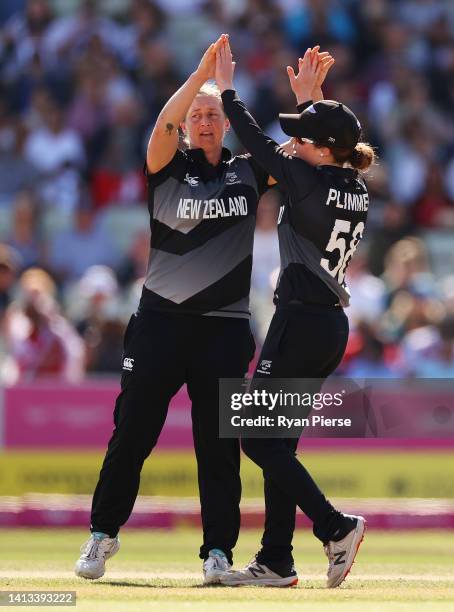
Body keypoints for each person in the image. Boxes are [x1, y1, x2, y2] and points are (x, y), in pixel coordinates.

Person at [74, 35, 273, 584]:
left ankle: (217, 554)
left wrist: (243, 94)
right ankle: (102, 536)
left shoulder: (249, 171)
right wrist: (198, 79)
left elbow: (294, 158)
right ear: (187, 122)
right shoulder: (165, 165)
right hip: (161, 323)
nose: (205, 122)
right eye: (198, 115)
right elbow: (164, 125)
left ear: (227, 123)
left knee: (218, 446)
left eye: (214, 114)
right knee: (132, 432)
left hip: (224, 329)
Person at [214, 35, 375, 588]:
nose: (294, 141)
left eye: (303, 136)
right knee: (278, 443)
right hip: (325, 322)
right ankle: (276, 561)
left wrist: (229, 92)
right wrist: (311, 104)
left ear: (323, 148)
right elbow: (311, 151)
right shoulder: (349, 180)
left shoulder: (310, 179)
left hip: (302, 320)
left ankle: (334, 526)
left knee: (257, 440)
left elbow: (260, 147)